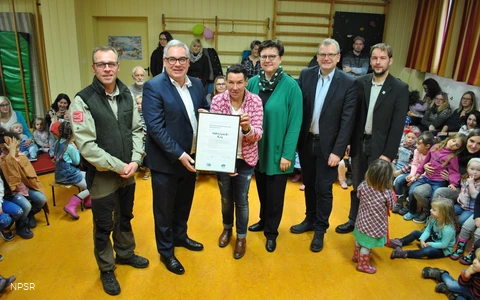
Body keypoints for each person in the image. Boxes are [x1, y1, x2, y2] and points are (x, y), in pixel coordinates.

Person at [70, 46, 149, 295]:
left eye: (111, 64)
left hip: (129, 171)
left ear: (117, 66)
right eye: (101, 64)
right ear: (94, 68)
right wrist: (119, 165)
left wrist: (136, 160)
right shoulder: (83, 100)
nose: (107, 68)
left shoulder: (126, 94)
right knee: (104, 224)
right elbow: (87, 146)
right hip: (104, 176)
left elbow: (137, 129)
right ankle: (106, 268)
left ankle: (125, 254)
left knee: (125, 216)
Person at [142, 40, 207, 275]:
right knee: (164, 210)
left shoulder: (197, 86)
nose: (177, 64)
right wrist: (179, 154)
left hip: (190, 158)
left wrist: (206, 116)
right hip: (166, 162)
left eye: (182, 59)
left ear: (189, 62)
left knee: (183, 204)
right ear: (164, 61)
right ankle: (166, 252)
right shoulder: (154, 87)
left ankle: (181, 237)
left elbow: (202, 113)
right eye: (172, 59)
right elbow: (156, 128)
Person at [335, 43, 409, 234]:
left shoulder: (399, 88)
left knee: (376, 190)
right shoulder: (360, 83)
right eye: (374, 58)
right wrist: (349, 142)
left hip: (381, 148)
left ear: (390, 61)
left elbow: (397, 125)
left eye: (382, 58)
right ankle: (353, 220)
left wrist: (388, 154)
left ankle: (373, 228)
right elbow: (353, 116)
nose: (378, 62)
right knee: (358, 184)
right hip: (360, 143)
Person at [291, 38, 356, 252]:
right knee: (309, 184)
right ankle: (309, 220)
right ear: (317, 56)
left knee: (324, 189)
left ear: (338, 57)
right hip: (307, 142)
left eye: (330, 55)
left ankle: (320, 230)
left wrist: (339, 152)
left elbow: (347, 121)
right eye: (322, 54)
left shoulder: (348, 82)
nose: (326, 58)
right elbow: (297, 107)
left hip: (330, 148)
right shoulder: (306, 75)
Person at [246, 39, 302, 252]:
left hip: (279, 152)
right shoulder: (252, 83)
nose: (267, 60)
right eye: (264, 56)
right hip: (256, 149)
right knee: (261, 189)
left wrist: (288, 154)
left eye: (272, 56)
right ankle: (262, 219)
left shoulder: (291, 86)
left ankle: (271, 231)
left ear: (281, 58)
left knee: (275, 194)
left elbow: (295, 123)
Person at [210, 64, 263, 259]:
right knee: (225, 199)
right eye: (230, 82)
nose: (234, 87)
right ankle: (227, 229)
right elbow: (215, 135)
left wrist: (248, 128)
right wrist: (226, 161)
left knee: (241, 200)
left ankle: (241, 237)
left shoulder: (255, 101)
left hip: (246, 160)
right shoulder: (217, 100)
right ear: (226, 82)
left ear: (246, 82)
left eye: (239, 82)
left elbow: (259, 134)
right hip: (223, 160)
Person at [403, 133, 465, 223]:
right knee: (412, 190)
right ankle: (412, 211)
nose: (453, 144)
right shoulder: (435, 147)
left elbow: (454, 172)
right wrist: (418, 173)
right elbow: (425, 161)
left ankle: (429, 216)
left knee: (435, 199)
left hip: (438, 181)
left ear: (458, 149)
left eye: (457, 145)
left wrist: (453, 183)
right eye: (453, 140)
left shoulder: (452, 157)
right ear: (449, 138)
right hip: (426, 178)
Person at [413, 130, 480, 210]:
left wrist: (451, 180)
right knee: (418, 191)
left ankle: (432, 216)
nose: (473, 146)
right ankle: (427, 210)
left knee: (439, 192)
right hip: (440, 180)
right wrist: (425, 166)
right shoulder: (457, 151)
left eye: (479, 144)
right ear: (466, 140)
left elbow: (470, 179)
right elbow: (433, 158)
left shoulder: (476, 160)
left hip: (463, 188)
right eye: (471, 141)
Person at [0, 130, 47, 239]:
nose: (18, 150)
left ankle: (30, 214)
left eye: (18, 147)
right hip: (12, 192)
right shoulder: (3, 161)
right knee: (26, 206)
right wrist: (11, 156)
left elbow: (30, 176)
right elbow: (12, 181)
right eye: (15, 148)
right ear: (4, 149)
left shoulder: (21, 156)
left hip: (24, 188)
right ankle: (21, 225)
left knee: (41, 199)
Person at [352, 159, 395, 274]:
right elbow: (391, 206)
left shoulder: (364, 184)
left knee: (359, 239)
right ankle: (363, 265)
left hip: (362, 219)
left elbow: (358, 195)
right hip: (374, 225)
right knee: (367, 245)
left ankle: (356, 256)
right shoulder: (386, 192)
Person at [390, 197, 456, 259]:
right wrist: (422, 239)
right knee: (415, 233)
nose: (430, 210)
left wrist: (429, 244)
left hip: (442, 249)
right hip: (433, 240)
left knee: (426, 251)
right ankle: (399, 242)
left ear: (443, 213)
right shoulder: (434, 219)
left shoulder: (448, 229)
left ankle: (404, 253)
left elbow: (443, 245)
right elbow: (427, 230)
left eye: (434, 210)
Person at [52, 121, 91, 220]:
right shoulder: (70, 147)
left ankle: (87, 201)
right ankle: (71, 206)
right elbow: (77, 161)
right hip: (69, 175)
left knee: (90, 176)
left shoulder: (57, 142)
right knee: (92, 186)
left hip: (60, 174)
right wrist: (76, 149)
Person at [393, 131, 435, 215]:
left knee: (412, 190)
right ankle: (399, 202)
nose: (416, 145)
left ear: (427, 146)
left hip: (422, 177)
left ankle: (410, 207)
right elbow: (414, 164)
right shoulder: (417, 151)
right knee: (398, 181)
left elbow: (426, 172)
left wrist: (413, 179)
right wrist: (411, 175)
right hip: (414, 173)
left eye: (419, 144)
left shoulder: (432, 155)